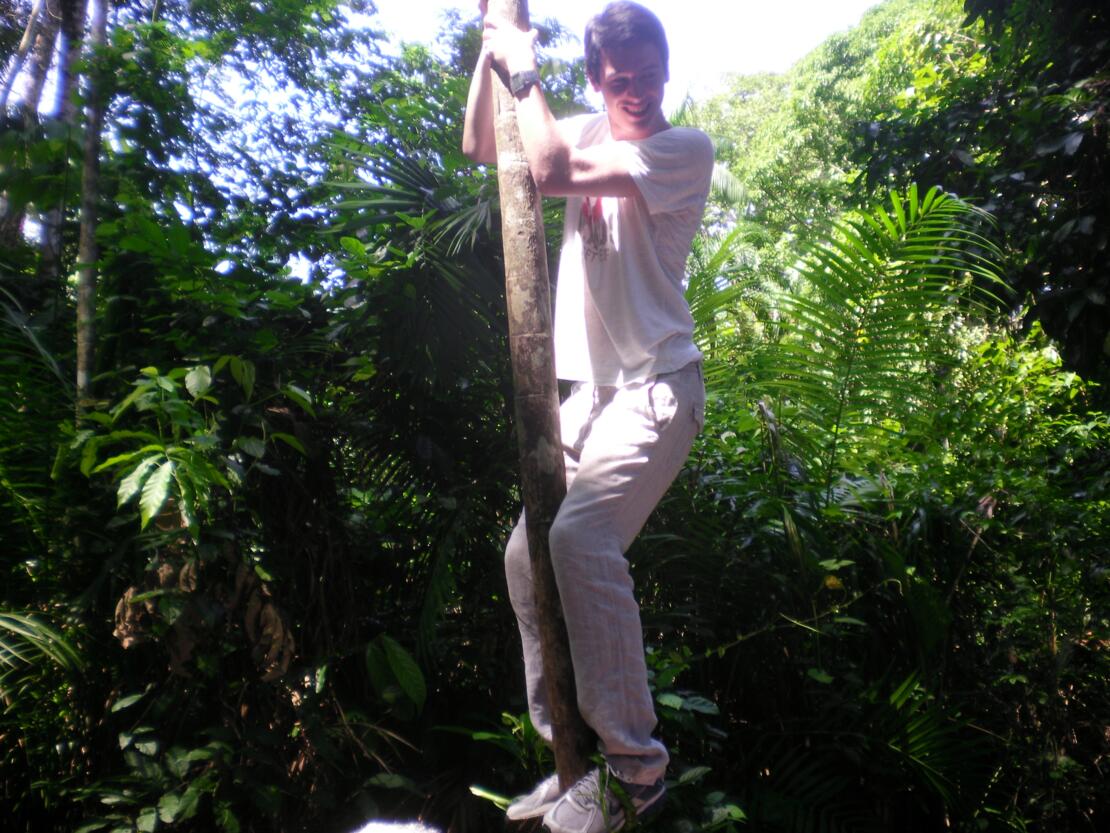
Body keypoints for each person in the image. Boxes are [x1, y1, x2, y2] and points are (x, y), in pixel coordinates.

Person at [462, 2, 713, 831]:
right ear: (596, 83)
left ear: (665, 72)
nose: (635, 92)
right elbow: (484, 145)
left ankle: (636, 770)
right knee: (525, 558)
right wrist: (494, 44)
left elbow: (552, 169)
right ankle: (569, 749)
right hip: (593, 396)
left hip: (658, 389)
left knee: (577, 540)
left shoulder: (681, 151)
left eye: (647, 76)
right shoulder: (581, 130)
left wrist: (524, 64)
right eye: (618, 81)